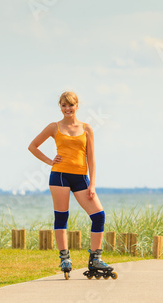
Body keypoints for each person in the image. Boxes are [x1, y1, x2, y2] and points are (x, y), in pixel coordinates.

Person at [28, 91, 113, 278]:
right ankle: (65, 258)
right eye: (63, 105)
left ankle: (95, 259)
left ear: (77, 106)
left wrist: (92, 185)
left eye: (70, 105)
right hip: (59, 176)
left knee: (99, 216)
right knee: (62, 216)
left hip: (81, 178)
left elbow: (91, 158)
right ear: (60, 107)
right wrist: (50, 161)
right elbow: (33, 146)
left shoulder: (87, 128)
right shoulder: (54, 127)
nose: (67, 109)